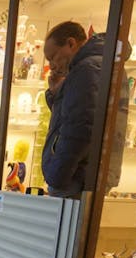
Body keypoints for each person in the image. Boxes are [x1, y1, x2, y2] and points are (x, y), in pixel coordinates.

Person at [41, 21, 104, 199]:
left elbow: (80, 128)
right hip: (78, 177)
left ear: (71, 43)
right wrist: (57, 93)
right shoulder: (92, 68)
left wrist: (56, 177)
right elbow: (73, 117)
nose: (52, 66)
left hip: (75, 181)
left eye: (53, 57)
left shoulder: (86, 70)